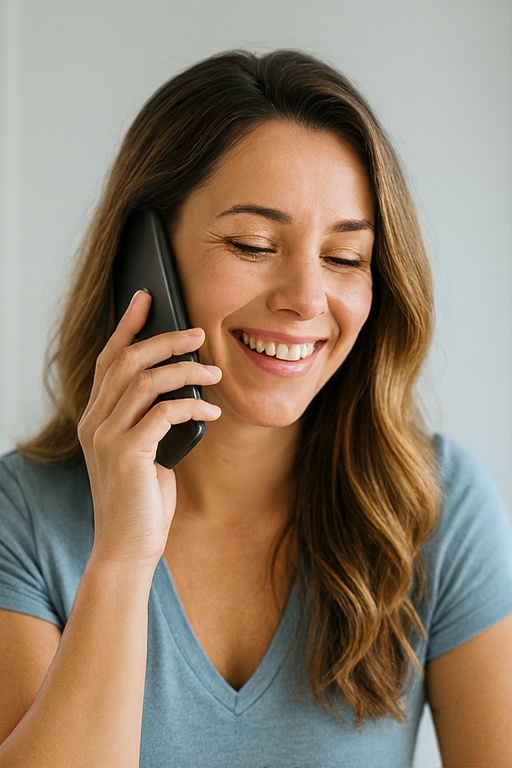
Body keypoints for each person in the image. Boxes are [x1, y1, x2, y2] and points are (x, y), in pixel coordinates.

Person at [0, 49, 511, 768]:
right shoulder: (22, 515)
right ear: (146, 258)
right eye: (253, 244)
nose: (305, 298)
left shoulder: (443, 509)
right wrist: (120, 557)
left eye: (344, 258)